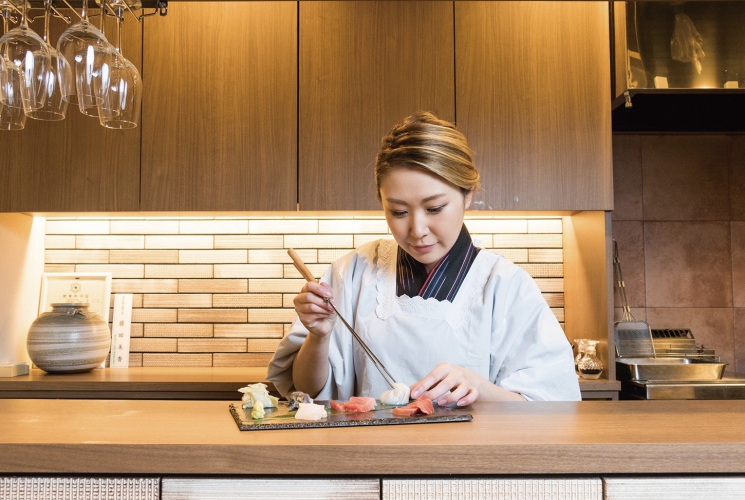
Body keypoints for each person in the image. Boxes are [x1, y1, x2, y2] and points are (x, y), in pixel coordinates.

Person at [267, 111, 581, 405]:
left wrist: (480, 388)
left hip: (469, 463)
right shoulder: (351, 272)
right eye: (398, 212)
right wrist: (318, 337)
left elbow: (552, 409)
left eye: (434, 208)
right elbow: (306, 393)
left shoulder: (506, 285)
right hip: (367, 460)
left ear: (467, 194)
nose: (417, 230)